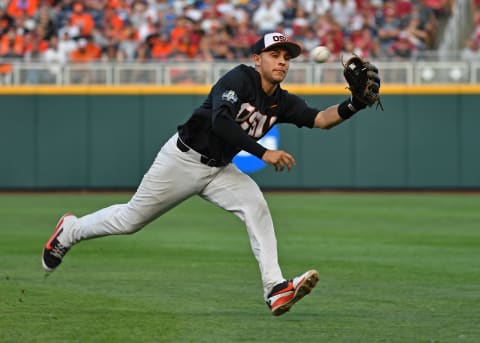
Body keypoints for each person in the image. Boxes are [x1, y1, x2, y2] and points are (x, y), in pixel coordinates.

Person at [42, 32, 377, 316]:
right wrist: (263, 152)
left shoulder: (283, 101)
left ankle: (275, 288)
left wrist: (356, 105)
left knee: (256, 207)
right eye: (274, 54)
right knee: (129, 221)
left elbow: (320, 119)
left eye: (286, 56)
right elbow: (220, 122)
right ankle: (69, 231)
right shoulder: (238, 79)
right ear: (257, 58)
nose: (282, 61)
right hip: (183, 159)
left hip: (219, 169)